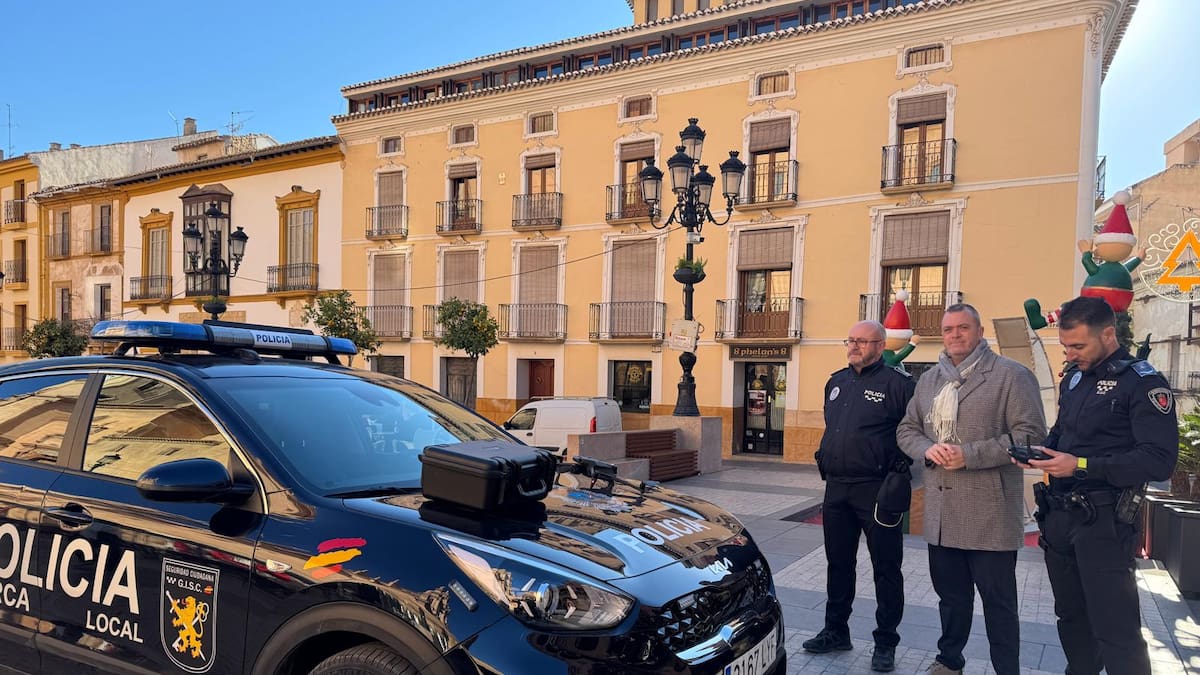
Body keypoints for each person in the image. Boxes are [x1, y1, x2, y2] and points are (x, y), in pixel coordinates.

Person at [1021, 296, 1178, 675]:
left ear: (1108, 334)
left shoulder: (1142, 382)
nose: (1071, 354)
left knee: (1116, 628)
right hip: (1061, 517)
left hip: (1104, 522)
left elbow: (1158, 460)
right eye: (1066, 347)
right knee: (1071, 620)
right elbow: (1063, 434)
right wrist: (1042, 452)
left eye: (1078, 345)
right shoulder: (1074, 378)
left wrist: (1083, 465)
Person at [896, 303, 1046, 675]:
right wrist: (927, 448)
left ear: (979, 332)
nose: (955, 335)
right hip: (942, 514)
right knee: (951, 599)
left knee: (999, 604)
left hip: (990, 514)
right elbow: (907, 430)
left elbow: (1031, 435)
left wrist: (969, 455)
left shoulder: (1011, 376)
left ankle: (1006, 669)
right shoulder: (930, 379)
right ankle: (950, 660)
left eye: (963, 328)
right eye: (948, 329)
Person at [804, 320, 915, 672]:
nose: (853, 346)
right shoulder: (835, 382)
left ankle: (885, 641)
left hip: (877, 490)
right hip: (837, 488)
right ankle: (836, 631)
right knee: (838, 564)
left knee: (886, 568)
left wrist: (897, 468)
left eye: (862, 341)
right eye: (850, 340)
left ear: (880, 346)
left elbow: (914, 432)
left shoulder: (898, 385)